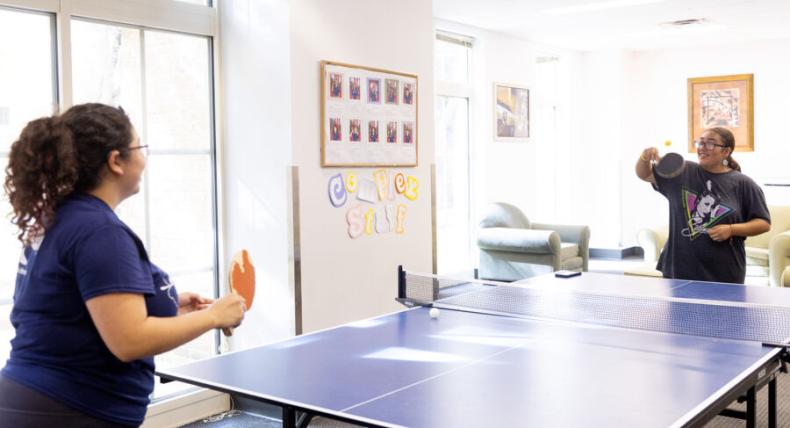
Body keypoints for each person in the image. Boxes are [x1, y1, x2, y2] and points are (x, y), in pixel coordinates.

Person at [0, 103, 247, 427]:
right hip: (68, 409)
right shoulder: (99, 231)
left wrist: (163, 305)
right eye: (140, 147)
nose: (144, 159)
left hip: (39, 401)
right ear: (116, 160)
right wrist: (215, 317)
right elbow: (130, 341)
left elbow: (77, 313)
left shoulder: (62, 218)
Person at [635, 127, 770, 283]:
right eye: (700, 142)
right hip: (679, 269)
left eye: (711, 143)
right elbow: (645, 174)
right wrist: (644, 157)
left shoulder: (744, 183)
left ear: (726, 152)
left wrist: (732, 229)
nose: (702, 147)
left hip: (725, 272)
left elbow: (763, 223)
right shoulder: (683, 171)